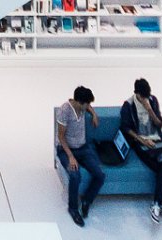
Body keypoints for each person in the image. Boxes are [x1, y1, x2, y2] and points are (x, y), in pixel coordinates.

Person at [121, 77, 162, 227]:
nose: (146, 99)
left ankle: (157, 204)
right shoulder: (128, 105)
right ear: (137, 94)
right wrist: (142, 140)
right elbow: (126, 129)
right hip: (141, 142)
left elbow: (159, 123)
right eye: (143, 97)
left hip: (157, 140)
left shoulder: (153, 101)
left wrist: (150, 110)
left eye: (147, 96)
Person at [54, 85, 104, 227]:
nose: (89, 106)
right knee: (75, 176)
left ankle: (87, 201)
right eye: (87, 104)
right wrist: (70, 156)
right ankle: (73, 208)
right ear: (79, 102)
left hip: (82, 148)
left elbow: (88, 107)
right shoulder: (65, 111)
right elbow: (61, 137)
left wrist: (93, 113)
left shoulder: (82, 106)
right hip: (66, 149)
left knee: (100, 175)